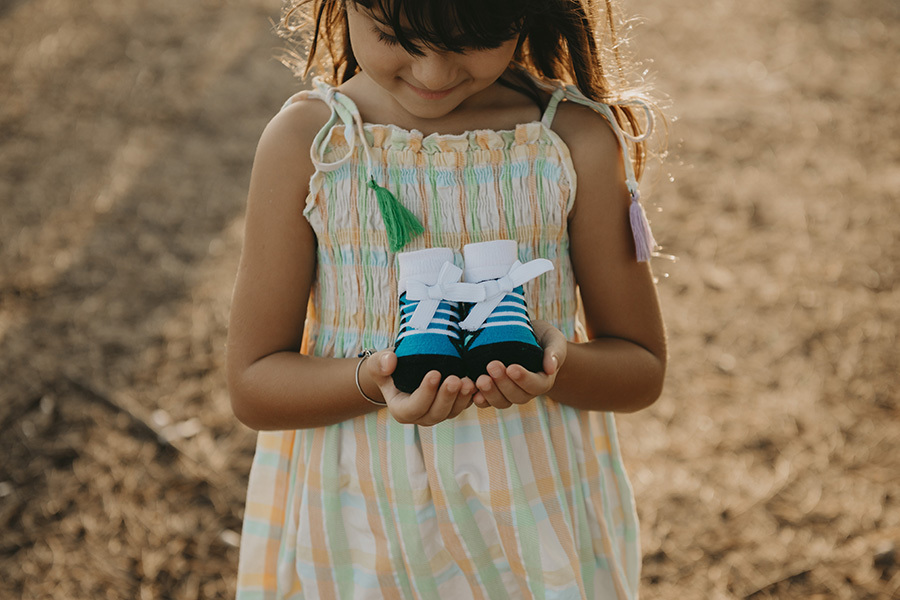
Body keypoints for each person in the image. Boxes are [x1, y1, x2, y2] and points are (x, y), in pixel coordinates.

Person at [225, 0, 667, 596]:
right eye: (395, 35)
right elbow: (253, 384)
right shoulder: (313, 143)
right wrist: (373, 380)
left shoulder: (571, 140)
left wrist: (555, 365)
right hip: (360, 527)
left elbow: (641, 368)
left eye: (470, 40)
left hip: (533, 526)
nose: (433, 74)